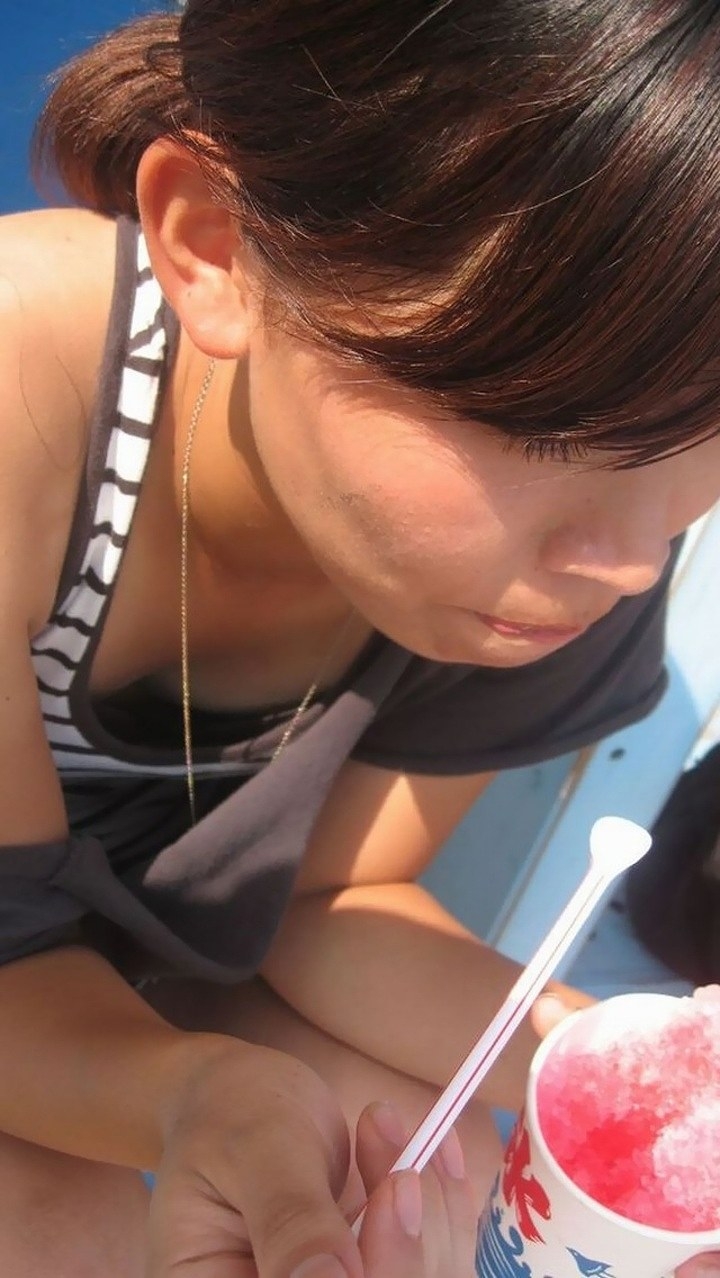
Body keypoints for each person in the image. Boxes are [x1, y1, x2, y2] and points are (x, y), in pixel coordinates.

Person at [1, 1, 719, 1274]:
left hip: (163, 967)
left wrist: (612, 1072)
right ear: (215, 243)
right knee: (67, 1229)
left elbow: (334, 895)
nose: (625, 565)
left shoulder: (564, 557)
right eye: (547, 428)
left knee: (418, 1179)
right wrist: (185, 1097)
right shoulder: (22, 402)